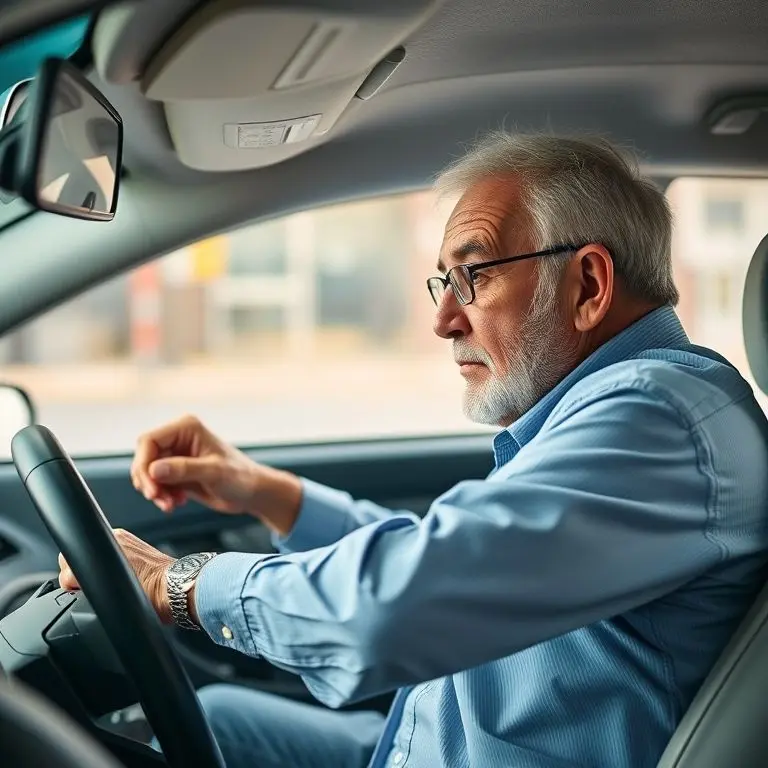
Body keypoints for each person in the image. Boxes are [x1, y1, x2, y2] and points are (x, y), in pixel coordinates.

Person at [59, 133, 768, 768]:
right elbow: (446, 563)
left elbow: (391, 606)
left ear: (587, 284)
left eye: (474, 275)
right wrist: (262, 491)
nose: (442, 319)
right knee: (219, 719)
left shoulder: (658, 422)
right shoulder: (633, 411)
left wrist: (174, 583)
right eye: (442, 281)